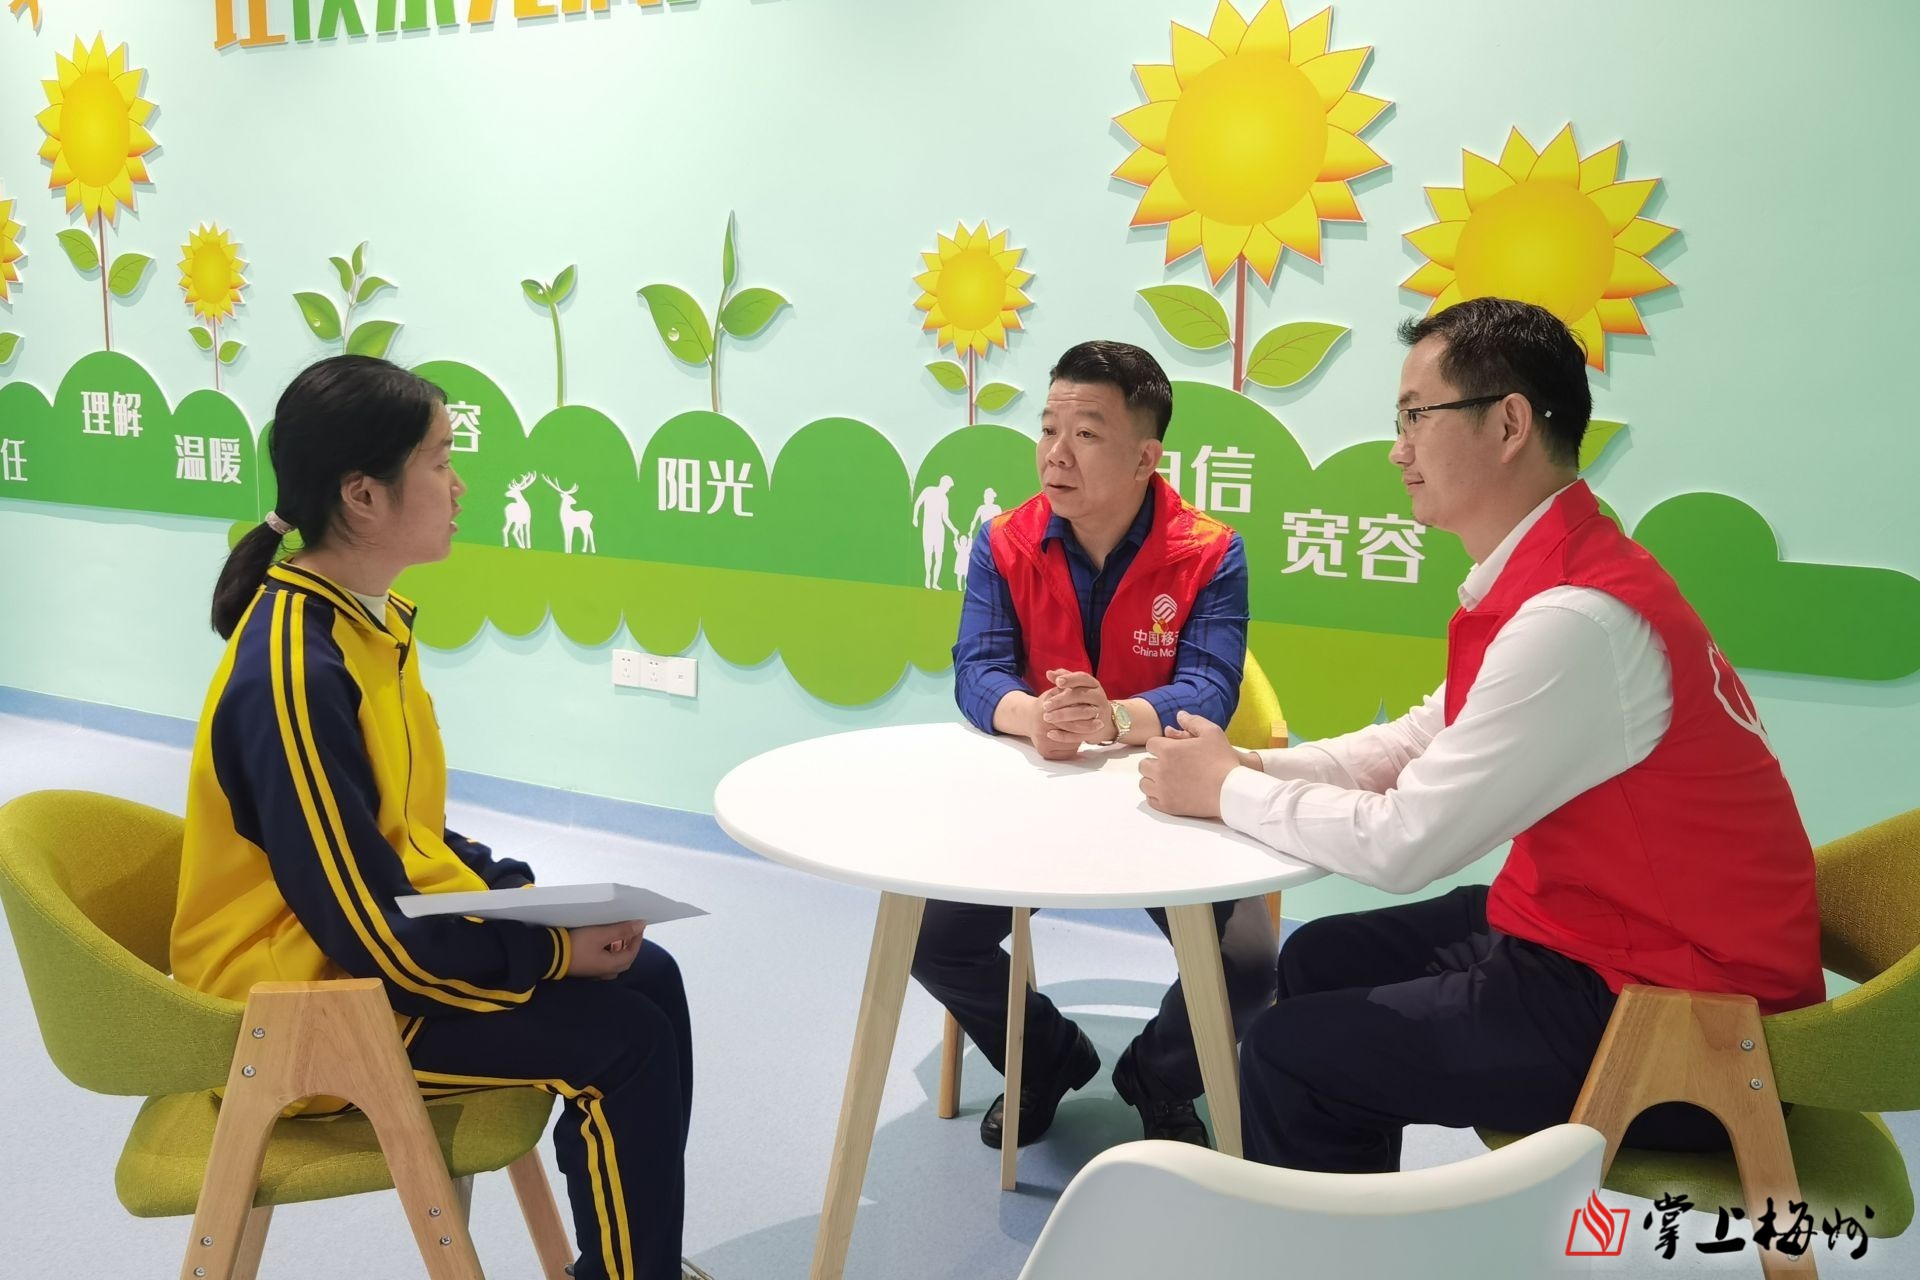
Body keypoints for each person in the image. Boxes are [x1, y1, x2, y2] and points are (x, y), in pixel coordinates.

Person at [1138, 298, 1823, 1172]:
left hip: (1687, 1017)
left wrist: (1226, 789)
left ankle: (1331, 1232)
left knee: (1288, 1056)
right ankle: (1354, 1217)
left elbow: (1405, 844)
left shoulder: (1576, 620)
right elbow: (1418, 740)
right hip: (1600, 937)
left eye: (1415, 416)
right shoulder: (1556, 577)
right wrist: (1250, 766)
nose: (1398, 449)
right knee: (1316, 956)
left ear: (1508, 424)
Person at [169, 356, 701, 1280]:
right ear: (363, 495)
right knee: (628, 1040)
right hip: (302, 1010)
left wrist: (529, 901)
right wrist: (548, 953)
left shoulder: (367, 626)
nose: (460, 487)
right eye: (441, 461)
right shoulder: (295, 672)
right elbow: (371, 932)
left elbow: (408, 835)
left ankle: (628, 1266)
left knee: (650, 977)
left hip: (355, 959)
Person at [914, 339, 1274, 1151]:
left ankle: (1158, 1077)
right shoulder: (1004, 540)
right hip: (1040, 796)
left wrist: (1112, 717)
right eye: (1048, 429)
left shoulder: (1211, 551)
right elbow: (976, 669)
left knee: (1248, 970)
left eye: (1085, 434)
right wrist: (1031, 715)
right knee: (933, 940)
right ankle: (1044, 1058)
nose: (1056, 453)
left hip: (1168, 797)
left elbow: (1212, 687)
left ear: (1147, 456)